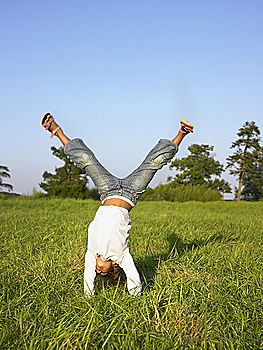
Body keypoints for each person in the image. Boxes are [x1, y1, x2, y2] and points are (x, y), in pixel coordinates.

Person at [41, 113, 194, 297]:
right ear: (113, 266)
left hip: (107, 191)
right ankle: (182, 133)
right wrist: (136, 295)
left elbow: (87, 277)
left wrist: (88, 297)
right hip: (130, 193)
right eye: (103, 272)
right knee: (153, 163)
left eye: (98, 272)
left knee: (87, 159)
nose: (98, 270)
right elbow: (134, 278)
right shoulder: (121, 256)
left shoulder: (92, 253)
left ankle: (56, 130)